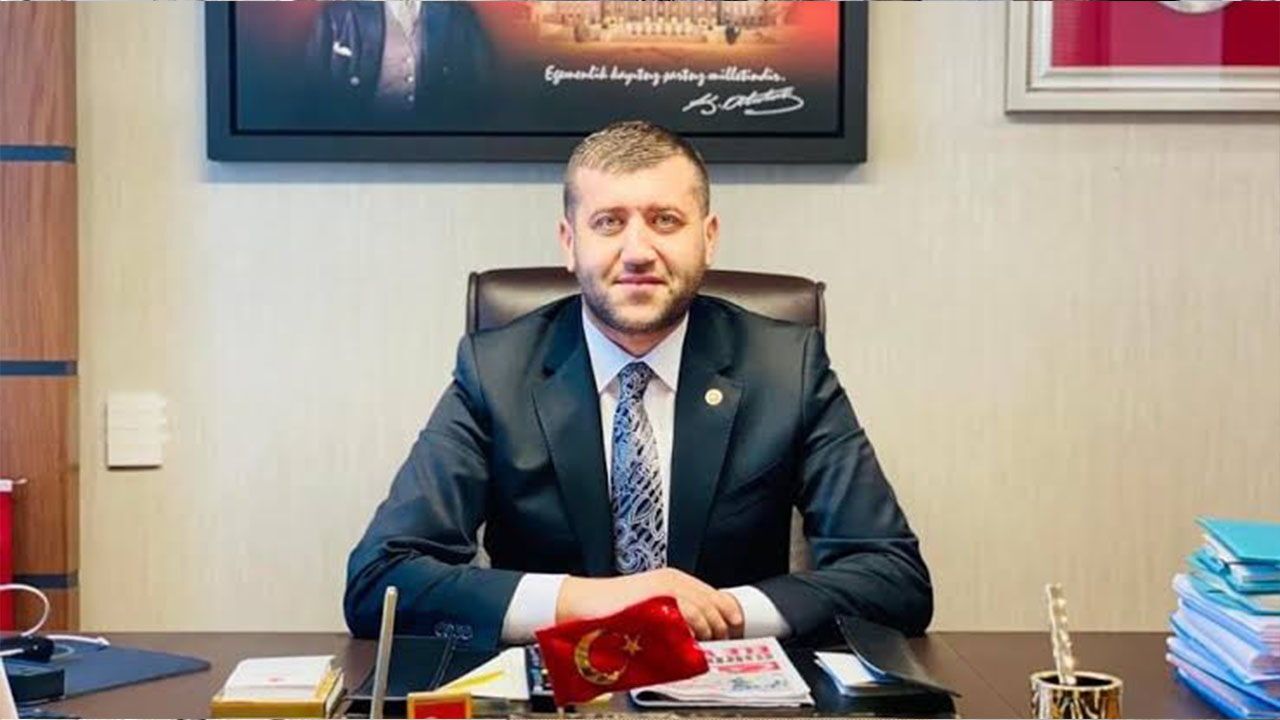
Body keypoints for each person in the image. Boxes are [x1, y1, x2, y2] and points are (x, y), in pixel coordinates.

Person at [345, 121, 932, 649]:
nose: (637, 251)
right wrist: (593, 601)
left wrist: (719, 612)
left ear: (709, 237)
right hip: (553, 695)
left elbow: (894, 577)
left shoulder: (787, 367)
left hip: (731, 693)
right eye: (608, 222)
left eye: (665, 221)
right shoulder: (495, 372)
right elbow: (380, 579)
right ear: (569, 242)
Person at [303, 1, 493, 127]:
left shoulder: (460, 16)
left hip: (435, 151)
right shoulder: (337, 14)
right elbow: (315, 93)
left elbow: (476, 92)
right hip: (356, 150)